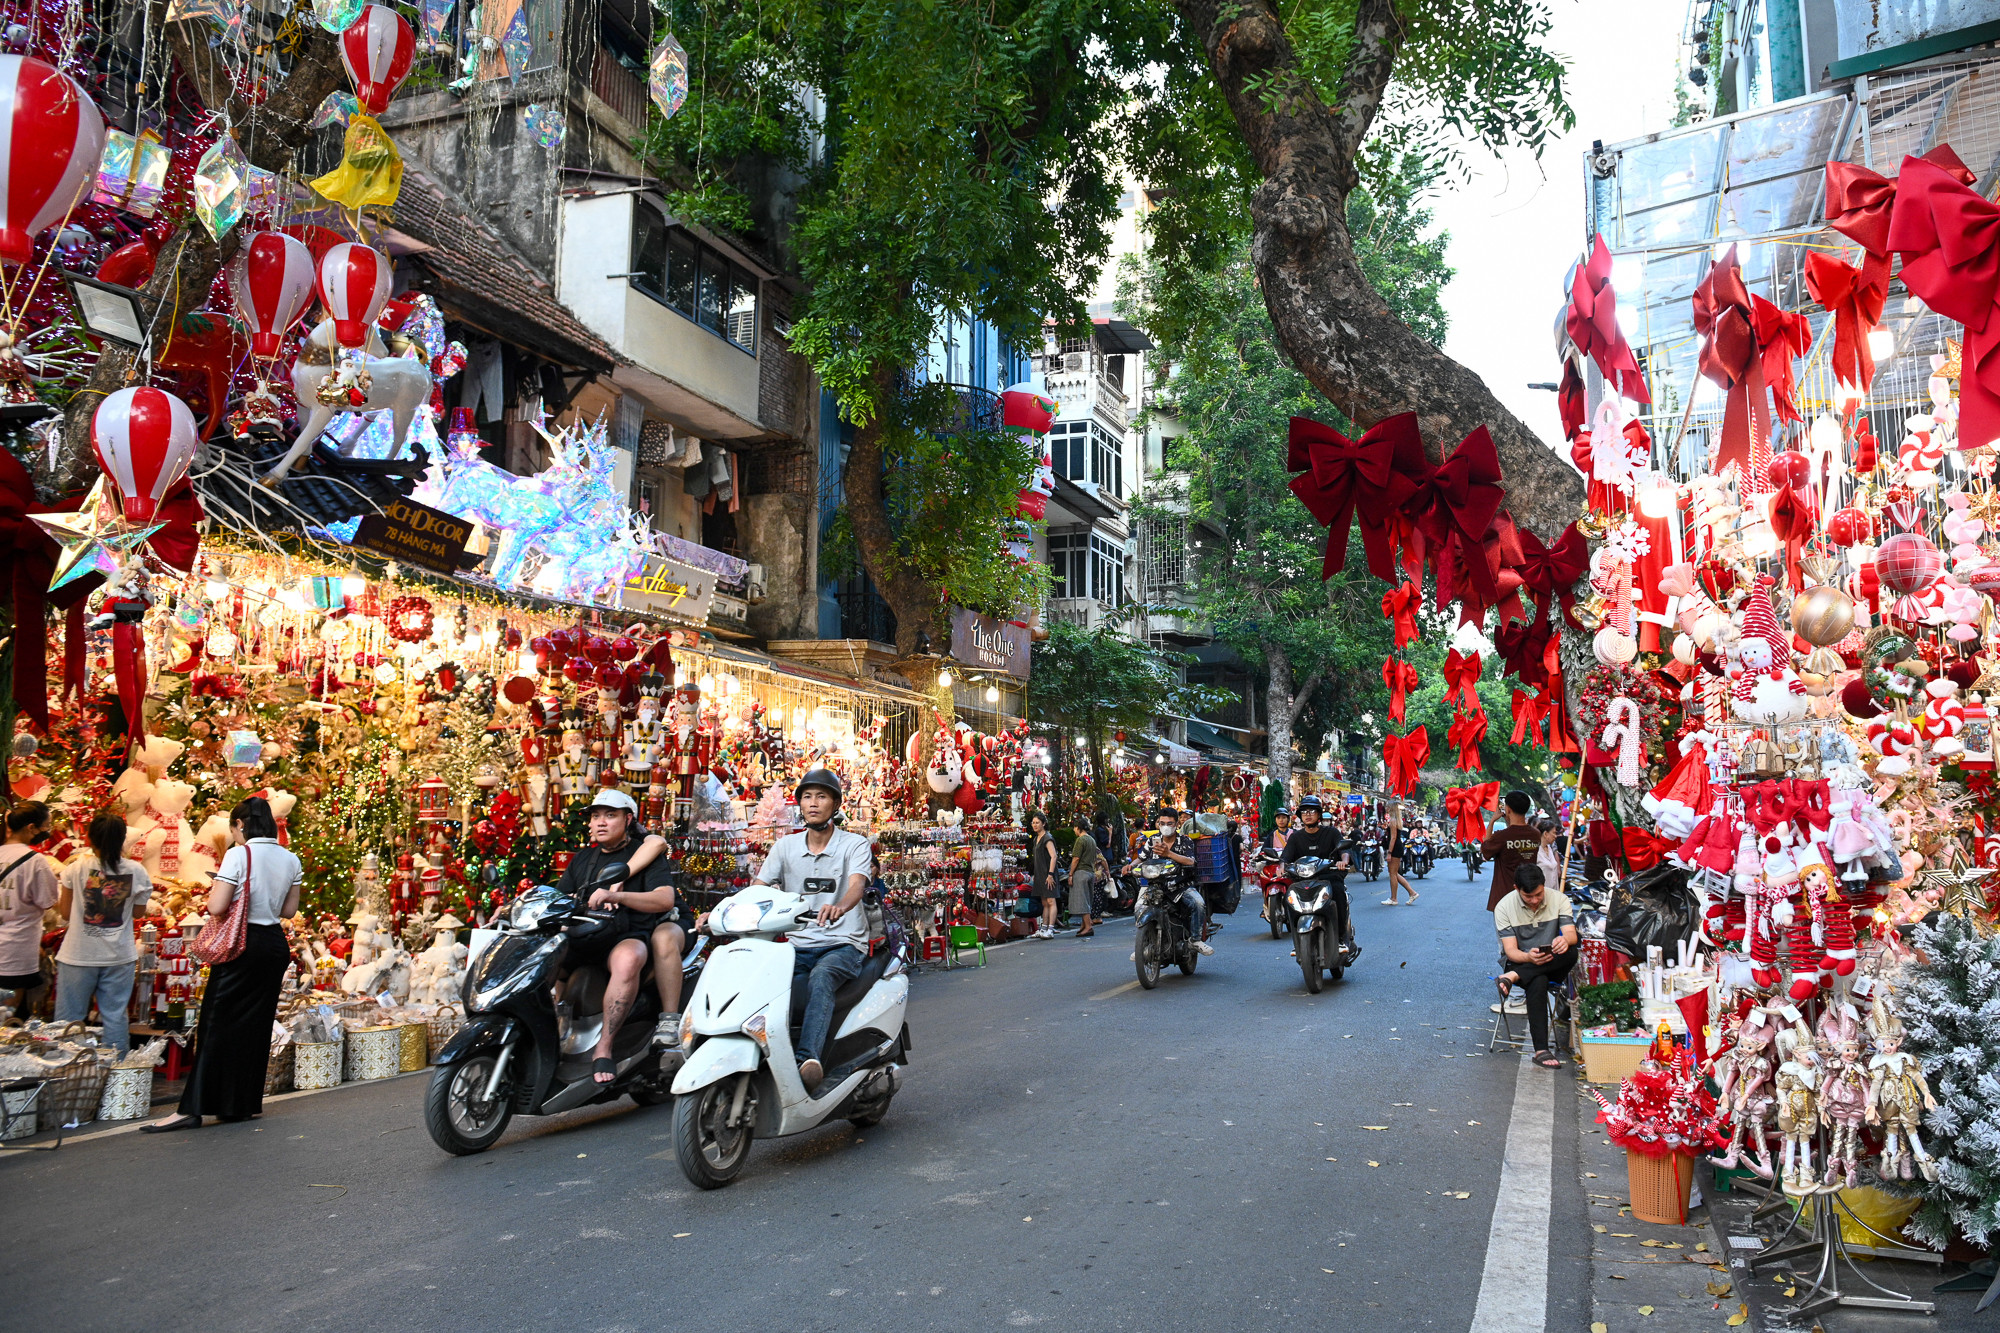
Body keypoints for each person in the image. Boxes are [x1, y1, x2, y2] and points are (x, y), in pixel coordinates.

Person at [145, 797, 299, 1131]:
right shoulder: (290, 858)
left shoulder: (237, 855)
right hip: (273, 945)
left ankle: (192, 1108)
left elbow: (217, 906)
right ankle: (240, 1104)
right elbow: (288, 912)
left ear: (240, 825)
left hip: (240, 945)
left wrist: (218, 887)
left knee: (215, 1023)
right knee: (255, 1028)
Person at [744, 768, 873, 1092]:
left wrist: (841, 906)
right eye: (807, 796)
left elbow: (857, 883)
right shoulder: (784, 847)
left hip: (842, 942)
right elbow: (758, 888)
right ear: (799, 804)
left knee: (821, 978)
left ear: (835, 804)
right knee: (764, 983)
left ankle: (808, 1060)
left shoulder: (854, 845)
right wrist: (724, 912)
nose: (813, 803)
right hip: (797, 944)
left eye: (822, 796)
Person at [554, 789, 681, 1084]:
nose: (601, 822)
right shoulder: (583, 858)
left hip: (625, 934)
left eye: (610, 815)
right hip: (585, 935)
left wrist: (621, 896)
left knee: (629, 958)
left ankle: (604, 1047)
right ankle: (553, 1030)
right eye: (596, 816)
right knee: (545, 953)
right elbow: (558, 897)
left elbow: (665, 900)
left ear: (627, 819)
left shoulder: (642, 854)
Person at [53, 812, 151, 1053]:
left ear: (90, 839)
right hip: (119, 955)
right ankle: (117, 1079)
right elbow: (138, 913)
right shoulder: (137, 871)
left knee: (69, 1021)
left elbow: (65, 913)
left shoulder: (75, 869)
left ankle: (68, 1076)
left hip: (78, 954)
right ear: (122, 840)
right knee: (115, 1017)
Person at [1493, 864, 1578, 1069]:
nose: (1534, 900)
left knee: (1572, 950)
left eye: (1538, 894)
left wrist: (1564, 940)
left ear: (1544, 885)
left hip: (1552, 960)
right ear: (1516, 889)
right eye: (1528, 896)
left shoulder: (1559, 899)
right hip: (1519, 960)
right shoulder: (1503, 907)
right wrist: (1528, 958)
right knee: (1537, 980)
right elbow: (1510, 950)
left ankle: (1513, 977)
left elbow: (1571, 935)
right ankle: (1541, 1049)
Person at [0, 802, 59, 1020]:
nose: (47, 831)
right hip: (16, 948)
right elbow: (48, 901)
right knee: (8, 1015)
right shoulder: (35, 862)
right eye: (46, 826)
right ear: (32, 828)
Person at [1281, 795, 1358, 961]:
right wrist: (1280, 869)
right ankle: (1297, 940)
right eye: (1305, 811)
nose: (1308, 814)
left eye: (1312, 811)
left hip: (1328, 877)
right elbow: (1285, 858)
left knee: (1337, 890)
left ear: (1319, 814)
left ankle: (1340, 938)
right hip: (1302, 880)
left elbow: (1344, 850)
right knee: (1288, 897)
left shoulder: (1331, 832)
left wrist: (1343, 861)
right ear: (1300, 815)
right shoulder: (1295, 837)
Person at [1147, 807, 1212, 955]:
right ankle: (1144, 943)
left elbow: (1190, 861)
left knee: (1198, 903)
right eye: (1162, 823)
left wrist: (1169, 853)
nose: (1165, 826)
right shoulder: (1152, 840)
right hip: (1157, 886)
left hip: (1181, 886)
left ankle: (1195, 940)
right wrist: (1130, 866)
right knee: (1139, 907)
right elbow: (1142, 857)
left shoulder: (1185, 840)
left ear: (1176, 824)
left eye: (1169, 823)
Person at [1481, 791, 1546, 912]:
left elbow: (1486, 849)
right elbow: (1517, 834)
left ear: (1508, 809)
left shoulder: (1502, 836)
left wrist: (1492, 822)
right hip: (1528, 895)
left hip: (1505, 897)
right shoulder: (1535, 834)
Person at [1067, 814, 1103, 938]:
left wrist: (1070, 874)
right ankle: (1084, 925)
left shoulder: (1080, 840)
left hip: (1081, 872)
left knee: (1081, 900)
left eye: (1074, 828)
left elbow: (1076, 858)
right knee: (1087, 899)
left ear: (1078, 828)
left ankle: (1088, 926)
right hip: (1090, 872)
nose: (1074, 830)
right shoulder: (1092, 840)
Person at [1027, 810, 1059, 939]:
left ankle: (1050, 929)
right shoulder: (1036, 839)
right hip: (1040, 874)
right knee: (1044, 902)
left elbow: (1054, 856)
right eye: (1033, 823)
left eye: (1037, 823)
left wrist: (1050, 874)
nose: (1035, 825)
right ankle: (1044, 927)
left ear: (1044, 824)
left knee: (1051, 900)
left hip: (1048, 874)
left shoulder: (1047, 838)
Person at [1383, 808, 1418, 906]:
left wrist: (1389, 852)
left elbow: (1393, 837)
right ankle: (1412, 893)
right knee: (1394, 873)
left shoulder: (1393, 821)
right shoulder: (1396, 821)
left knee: (1393, 874)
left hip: (1395, 848)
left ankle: (1394, 898)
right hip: (1397, 847)